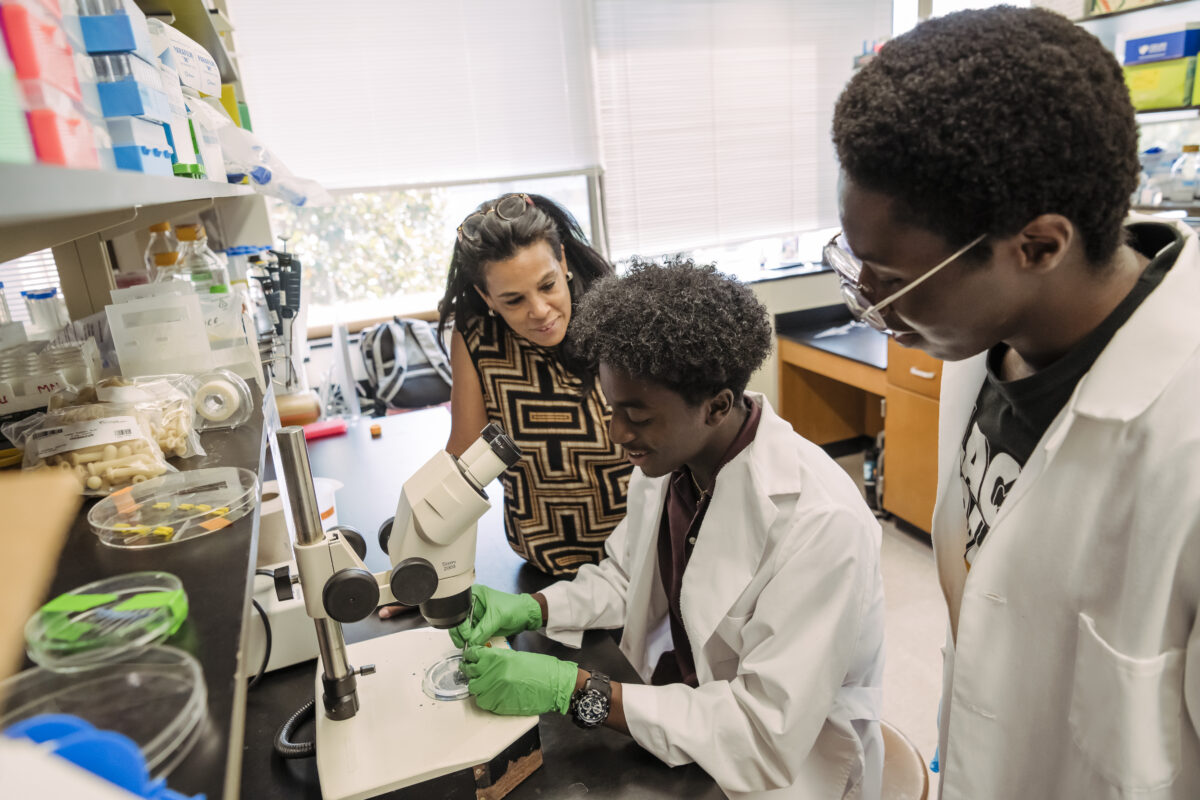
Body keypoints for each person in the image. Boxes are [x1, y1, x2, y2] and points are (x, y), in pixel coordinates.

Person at [831, 7, 1200, 799]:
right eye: (857, 266)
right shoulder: (982, 344)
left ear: (1039, 245)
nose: (870, 304)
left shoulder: (1185, 436)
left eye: (893, 281)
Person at [453, 260, 886, 800]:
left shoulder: (820, 524)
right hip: (685, 716)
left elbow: (760, 733)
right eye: (612, 409)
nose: (617, 433)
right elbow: (627, 575)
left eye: (636, 415)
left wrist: (573, 691)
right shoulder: (672, 464)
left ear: (717, 406)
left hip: (786, 769)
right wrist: (533, 607)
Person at [382, 194, 631, 621]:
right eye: (513, 300)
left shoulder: (621, 319)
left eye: (548, 285)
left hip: (637, 568)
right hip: (543, 573)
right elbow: (464, 456)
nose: (540, 311)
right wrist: (414, 573)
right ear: (487, 295)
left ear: (564, 261)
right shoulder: (477, 339)